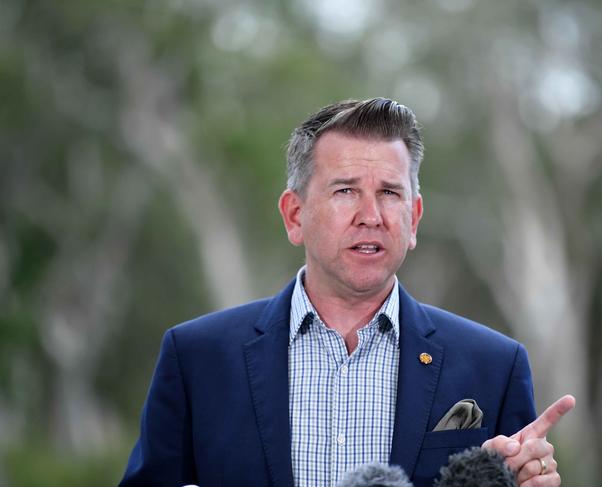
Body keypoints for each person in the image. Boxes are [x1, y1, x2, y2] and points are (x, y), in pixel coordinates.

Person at [119, 98, 574, 487]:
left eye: (390, 193)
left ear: (413, 219)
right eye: (345, 190)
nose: (371, 215)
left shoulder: (494, 365)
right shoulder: (197, 357)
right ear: (294, 215)